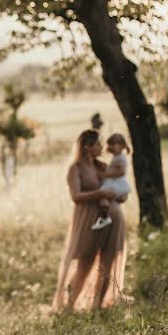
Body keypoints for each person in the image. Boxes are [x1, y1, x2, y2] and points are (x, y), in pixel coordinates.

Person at [52, 129, 128, 312]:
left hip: (112, 218)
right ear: (88, 146)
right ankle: (70, 305)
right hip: (88, 220)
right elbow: (76, 196)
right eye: (99, 144)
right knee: (84, 261)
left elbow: (119, 188)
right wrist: (100, 193)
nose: (103, 147)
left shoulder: (102, 166)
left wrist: (118, 195)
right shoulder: (75, 168)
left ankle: (100, 305)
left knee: (107, 261)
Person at [92, 133, 131, 230]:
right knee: (104, 197)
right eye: (110, 144)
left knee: (103, 195)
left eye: (114, 144)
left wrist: (105, 175)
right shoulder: (116, 158)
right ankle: (105, 216)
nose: (111, 147)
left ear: (122, 146)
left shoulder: (121, 158)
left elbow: (121, 172)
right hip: (114, 183)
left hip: (116, 184)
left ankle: (104, 217)